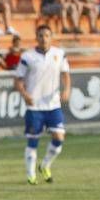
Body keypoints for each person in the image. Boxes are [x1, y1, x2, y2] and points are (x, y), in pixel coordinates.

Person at [15, 24, 70, 185]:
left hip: (53, 105)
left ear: (51, 37)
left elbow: (66, 74)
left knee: (59, 137)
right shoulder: (27, 57)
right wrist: (25, 94)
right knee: (33, 141)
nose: (43, 38)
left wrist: (67, 90)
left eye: (46, 35)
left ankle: (45, 165)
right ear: (36, 38)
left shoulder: (59, 54)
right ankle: (31, 174)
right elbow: (18, 80)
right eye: (40, 35)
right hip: (35, 107)